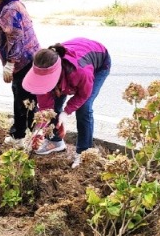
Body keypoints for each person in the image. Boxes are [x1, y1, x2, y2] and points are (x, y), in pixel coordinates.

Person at [22, 38, 111, 168]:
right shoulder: (41, 72)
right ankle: (56, 142)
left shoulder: (81, 72)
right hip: (68, 69)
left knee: (84, 109)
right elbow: (46, 109)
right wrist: (40, 130)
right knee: (54, 106)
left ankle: (84, 153)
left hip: (99, 62)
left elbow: (83, 95)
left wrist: (66, 112)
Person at [0, 0, 40, 145]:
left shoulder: (10, 10)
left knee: (21, 98)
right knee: (30, 98)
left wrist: (10, 64)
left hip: (22, 62)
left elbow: (16, 38)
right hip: (31, 58)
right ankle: (34, 134)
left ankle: (19, 136)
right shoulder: (16, 4)